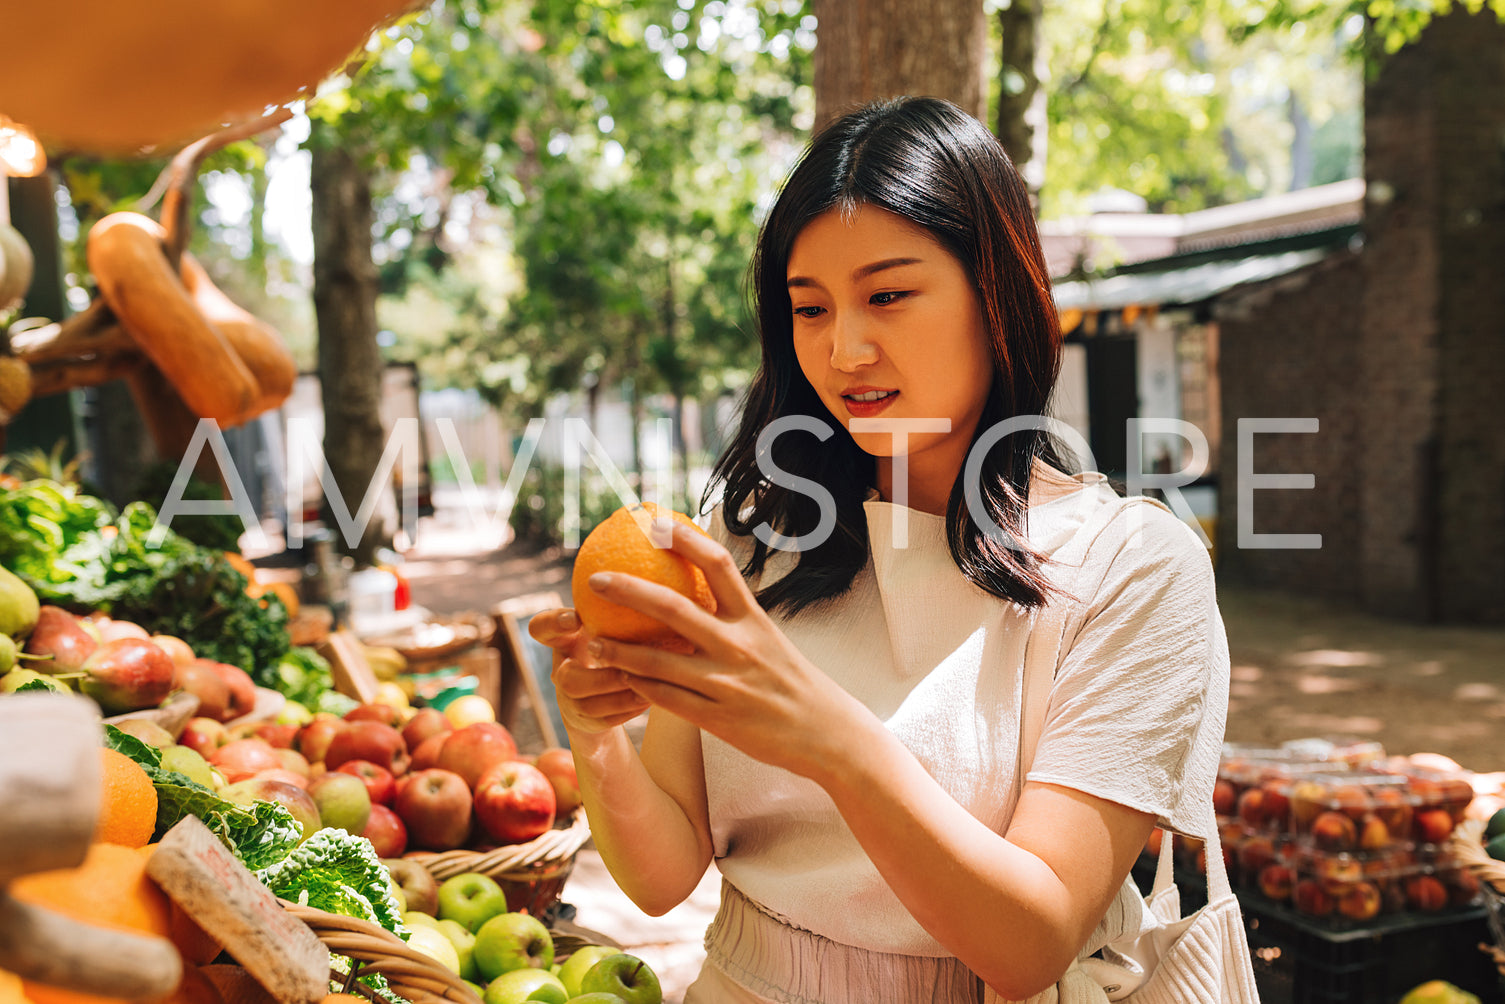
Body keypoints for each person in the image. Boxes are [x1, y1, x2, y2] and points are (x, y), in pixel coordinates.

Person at [529, 96, 1229, 1004]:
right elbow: (661, 878)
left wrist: (828, 742)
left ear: (997, 295)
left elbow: (1027, 947)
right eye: (807, 308)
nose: (843, 349)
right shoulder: (753, 540)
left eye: (888, 295)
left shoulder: (1131, 568)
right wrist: (594, 735)